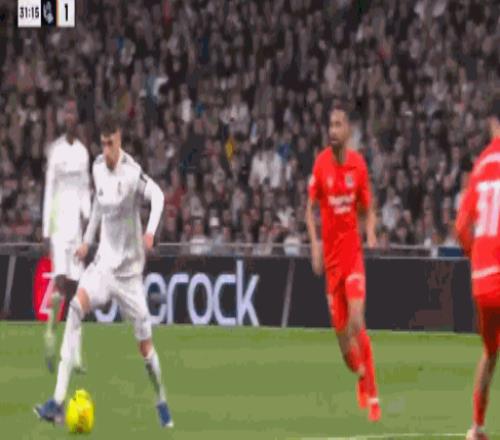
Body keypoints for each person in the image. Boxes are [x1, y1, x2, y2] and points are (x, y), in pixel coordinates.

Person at [35, 113, 173, 428]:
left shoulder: (132, 173)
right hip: (103, 267)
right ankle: (57, 402)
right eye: (103, 144)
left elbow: (158, 197)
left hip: (129, 275)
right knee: (74, 309)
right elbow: (98, 205)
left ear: (119, 140)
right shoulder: (97, 167)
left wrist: (150, 232)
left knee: (145, 348)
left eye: (111, 144)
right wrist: (87, 241)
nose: (107, 150)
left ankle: (161, 400)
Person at [306, 101, 381, 422]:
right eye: (330, 125)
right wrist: (314, 245)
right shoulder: (321, 164)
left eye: (338, 124)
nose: (333, 130)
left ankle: (374, 395)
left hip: (352, 257)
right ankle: (360, 374)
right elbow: (309, 209)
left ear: (348, 130)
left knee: (357, 322)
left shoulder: (358, 166)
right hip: (332, 264)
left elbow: (368, 207)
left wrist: (371, 231)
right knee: (344, 345)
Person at [455, 91, 500, 440]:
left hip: (482, 279)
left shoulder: (481, 164)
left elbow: (460, 228)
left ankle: (477, 427)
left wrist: (476, 257)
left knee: (489, 351)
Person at [42, 98, 90, 374]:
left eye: (73, 112)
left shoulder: (83, 152)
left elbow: (85, 189)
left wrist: (89, 222)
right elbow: (49, 189)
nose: (69, 116)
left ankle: (75, 354)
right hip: (58, 225)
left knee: (75, 293)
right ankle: (50, 335)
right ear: (63, 118)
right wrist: (46, 231)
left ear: (77, 118)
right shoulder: (56, 151)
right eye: (66, 112)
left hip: (76, 229)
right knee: (60, 284)